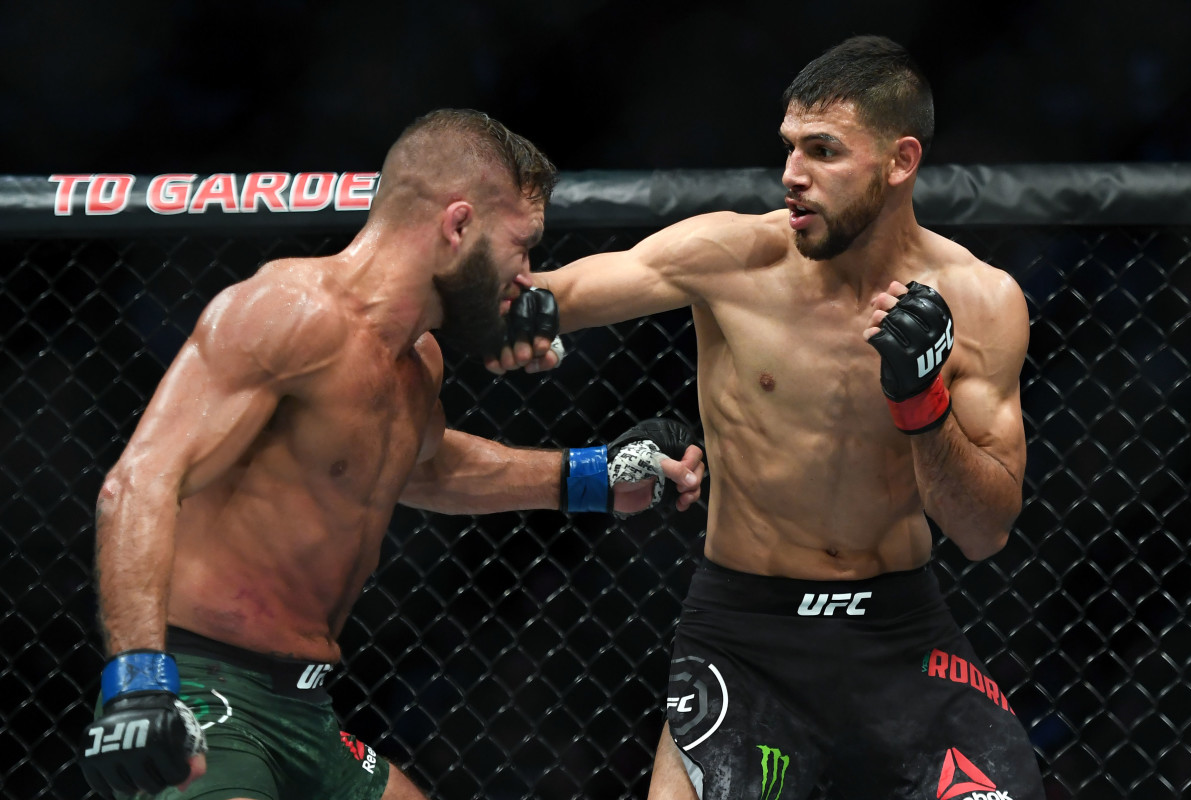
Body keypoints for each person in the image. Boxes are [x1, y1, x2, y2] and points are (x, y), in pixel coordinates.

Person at [78, 108, 706, 800]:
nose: (529, 281)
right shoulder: (287, 310)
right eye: (522, 248)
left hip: (307, 711)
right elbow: (139, 481)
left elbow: (426, 466)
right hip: (204, 691)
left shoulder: (419, 363)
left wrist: (592, 476)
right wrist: (137, 683)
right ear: (458, 226)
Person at [497, 35, 1045, 799]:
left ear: (900, 161)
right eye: (789, 148)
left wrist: (923, 404)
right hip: (744, 638)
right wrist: (514, 317)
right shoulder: (730, 256)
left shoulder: (983, 300)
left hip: (899, 638)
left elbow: (985, 532)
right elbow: (558, 295)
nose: (793, 175)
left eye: (824, 151)